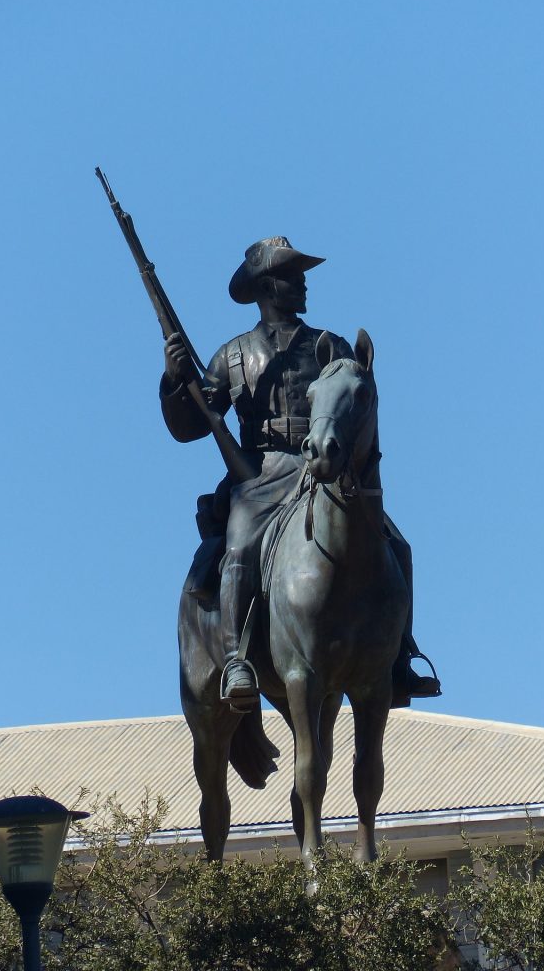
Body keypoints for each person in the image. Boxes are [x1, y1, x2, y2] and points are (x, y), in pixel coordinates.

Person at [160, 236, 435, 707]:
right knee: (241, 545)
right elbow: (189, 428)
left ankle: (399, 657)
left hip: (320, 467)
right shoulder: (232, 355)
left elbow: (353, 404)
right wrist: (173, 379)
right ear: (268, 286)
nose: (303, 283)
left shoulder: (328, 346)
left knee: (397, 546)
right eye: (292, 276)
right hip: (261, 474)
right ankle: (237, 661)